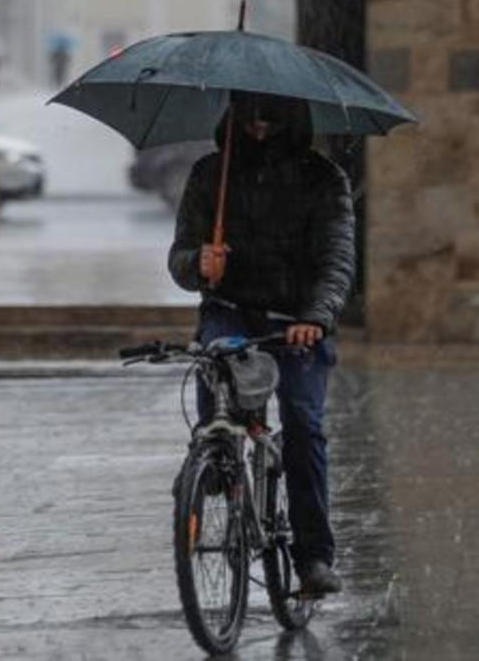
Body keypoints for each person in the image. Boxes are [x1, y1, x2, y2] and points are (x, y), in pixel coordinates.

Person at [167, 91, 355, 595]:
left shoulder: (323, 180)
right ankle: (212, 464)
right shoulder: (212, 174)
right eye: (251, 120)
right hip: (230, 310)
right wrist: (198, 263)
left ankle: (313, 555)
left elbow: (337, 259)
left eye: (271, 121)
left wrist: (315, 317)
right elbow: (181, 253)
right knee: (217, 387)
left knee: (303, 424)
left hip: (296, 321)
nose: (260, 130)